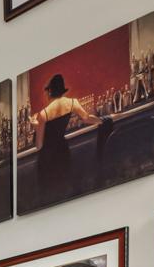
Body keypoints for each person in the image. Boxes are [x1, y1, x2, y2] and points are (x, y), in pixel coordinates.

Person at [32, 73, 102, 206]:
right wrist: (102, 121)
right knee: (65, 192)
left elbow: (39, 145)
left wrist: (35, 125)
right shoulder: (72, 103)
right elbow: (87, 118)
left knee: (49, 198)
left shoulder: (43, 114)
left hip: (47, 158)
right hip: (62, 151)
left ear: (50, 91)